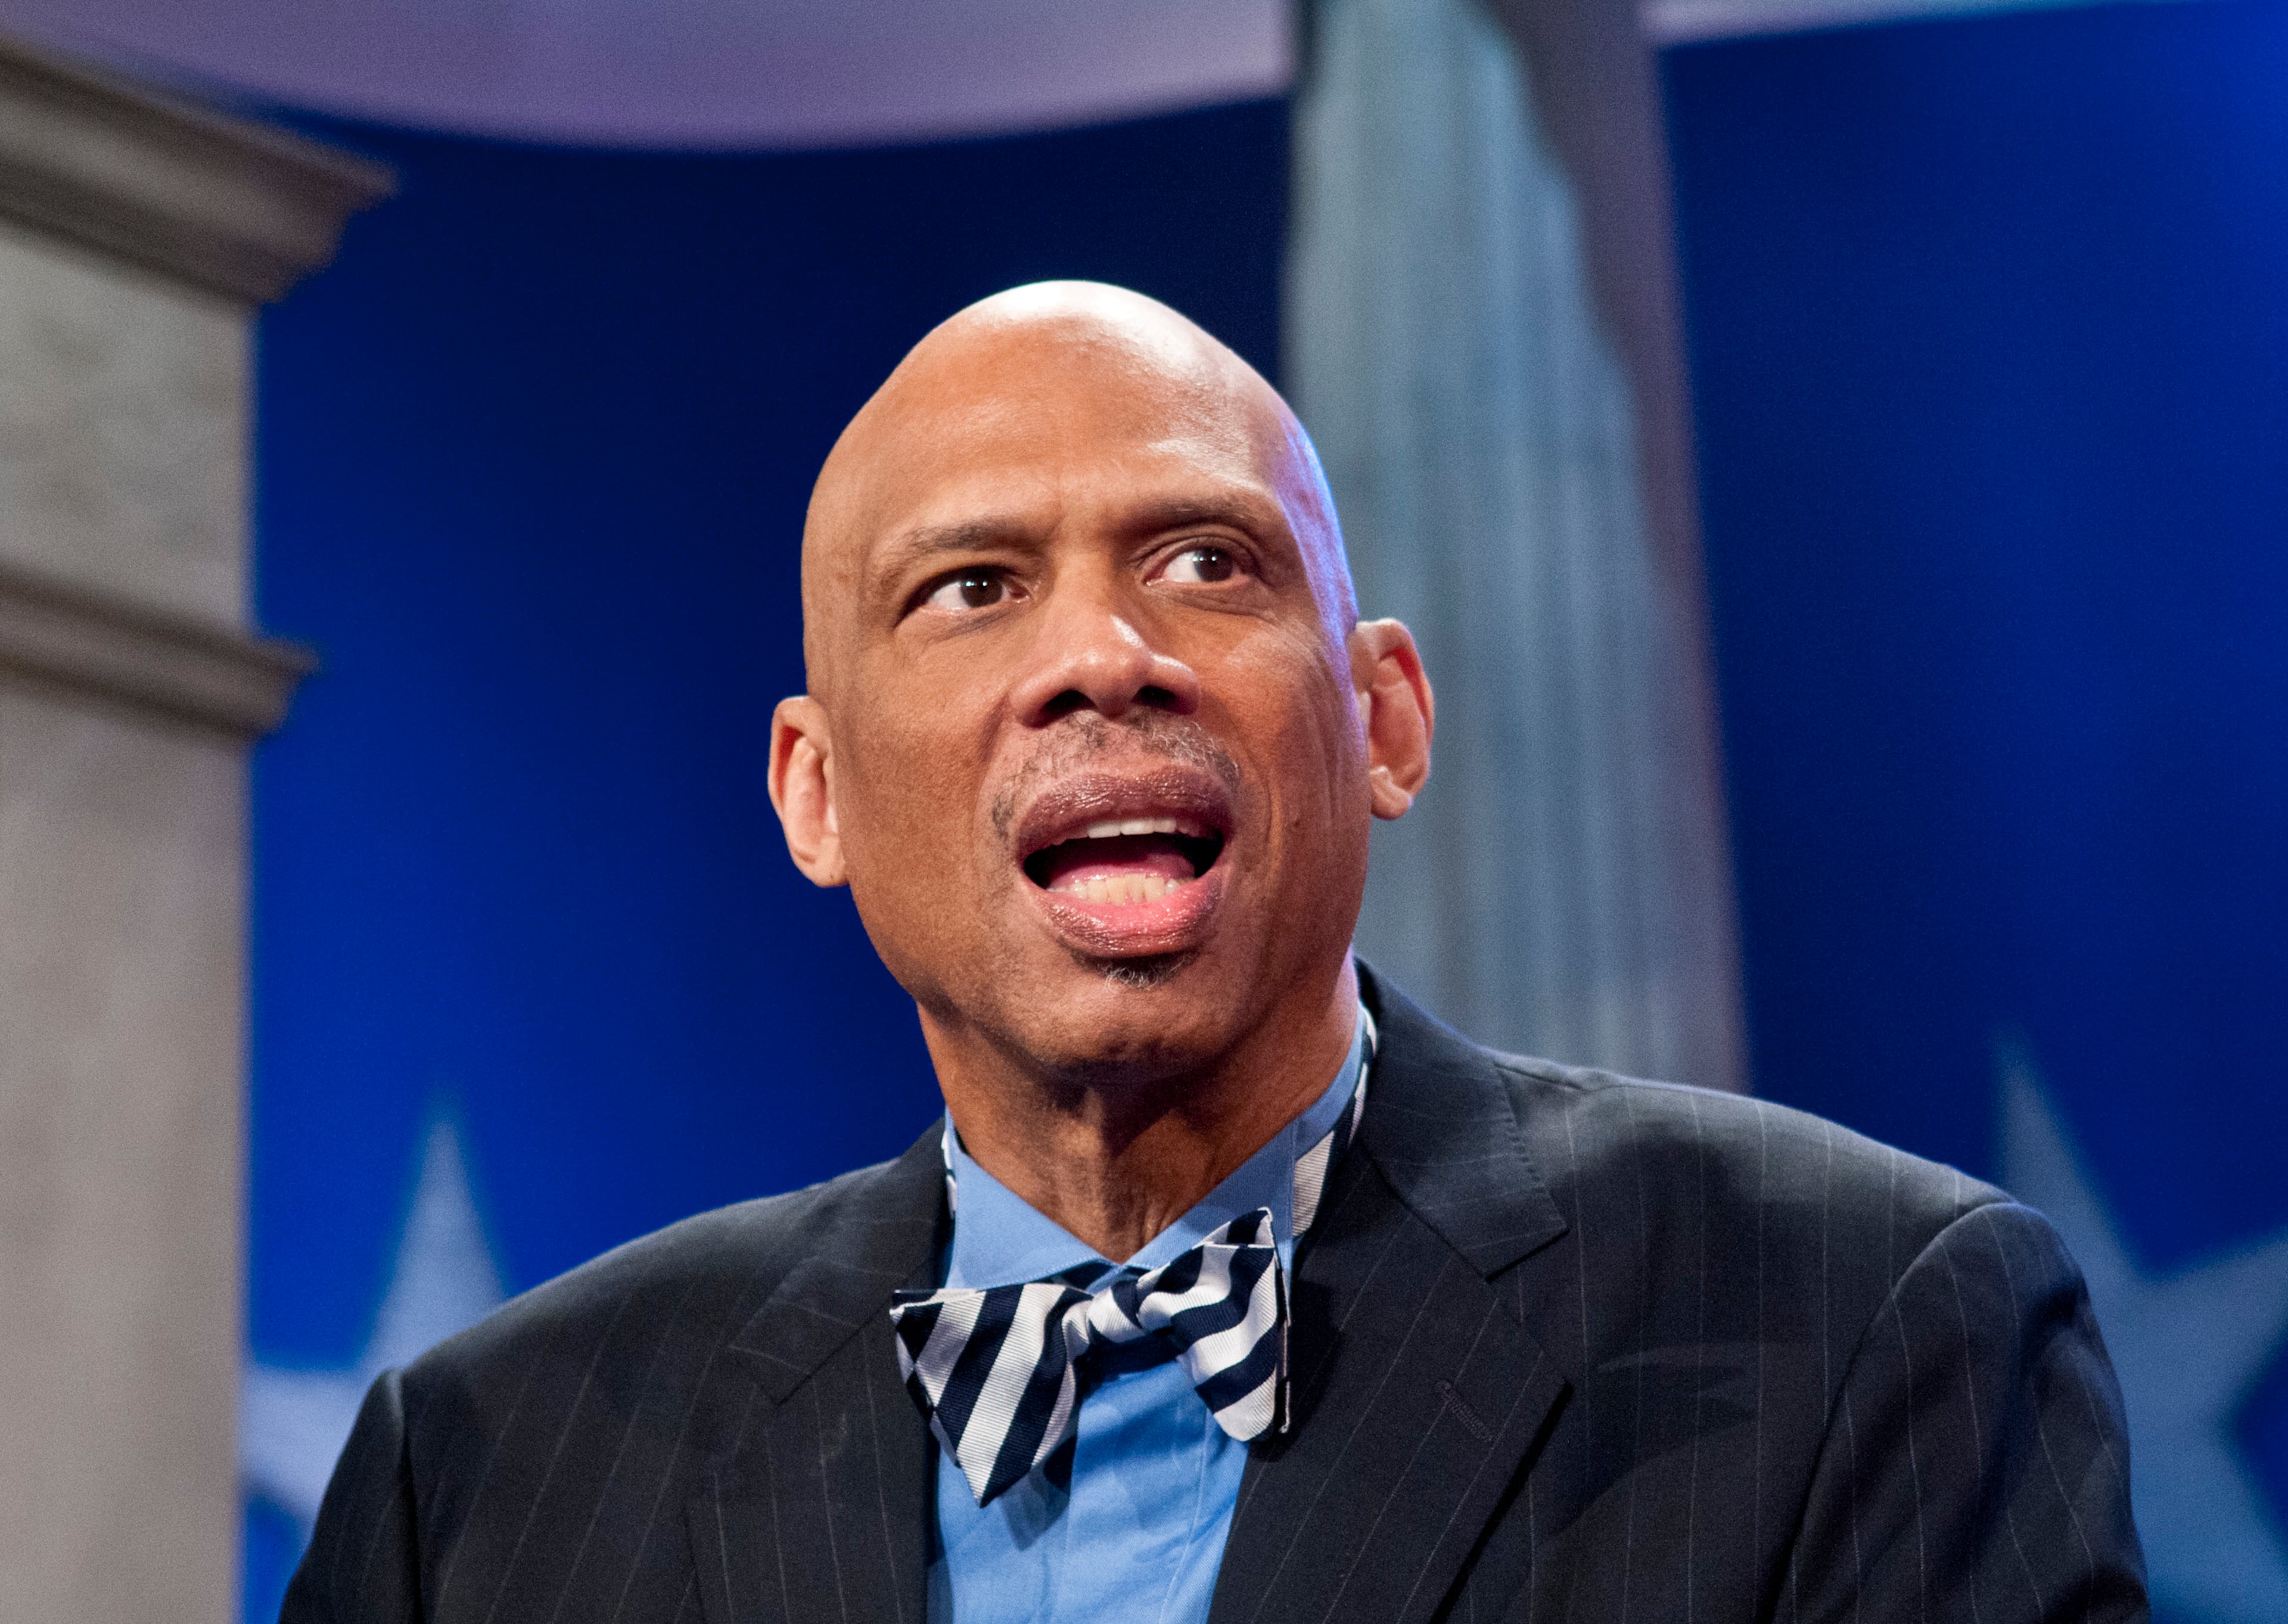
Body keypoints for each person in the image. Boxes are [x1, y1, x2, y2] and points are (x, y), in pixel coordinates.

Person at [283, 282, 2146, 1624]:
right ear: (817, 791)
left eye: (1205, 563)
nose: (1104, 654)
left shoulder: (1865, 1334)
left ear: (1384, 719)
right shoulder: (487, 1478)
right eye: (973, 589)